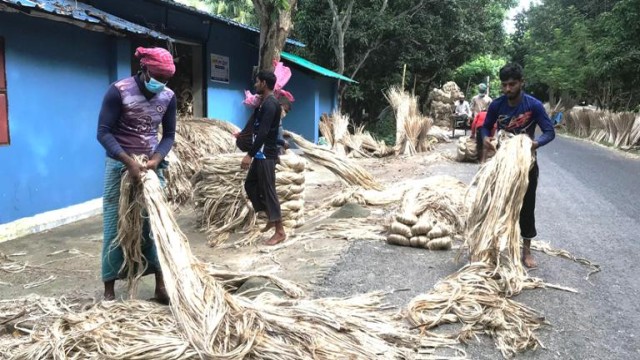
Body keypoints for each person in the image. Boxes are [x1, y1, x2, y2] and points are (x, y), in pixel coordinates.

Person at [97, 47, 177, 302]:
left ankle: (160, 286)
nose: (161, 83)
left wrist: (156, 158)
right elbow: (103, 132)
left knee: (155, 225)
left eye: (166, 79)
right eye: (157, 76)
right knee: (114, 224)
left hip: (151, 167)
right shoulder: (118, 90)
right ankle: (109, 291)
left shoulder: (168, 96)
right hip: (120, 166)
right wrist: (127, 161)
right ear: (144, 68)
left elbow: (169, 135)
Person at [480, 63, 555, 268]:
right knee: (495, 202)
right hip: (502, 162)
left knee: (526, 206)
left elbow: (550, 132)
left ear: (522, 82)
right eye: (504, 85)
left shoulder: (534, 106)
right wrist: (486, 138)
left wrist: (535, 144)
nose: (507, 89)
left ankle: (527, 250)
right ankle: (492, 244)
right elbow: (485, 127)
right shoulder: (497, 105)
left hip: (525, 164)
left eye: (512, 84)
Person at [241, 71, 287, 246]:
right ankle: (270, 214)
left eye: (258, 82)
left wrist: (249, 155)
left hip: (265, 155)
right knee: (250, 185)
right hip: (261, 153)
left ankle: (280, 231)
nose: (255, 85)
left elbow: (264, 132)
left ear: (265, 84)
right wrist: (281, 141)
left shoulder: (270, 104)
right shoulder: (264, 104)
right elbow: (265, 129)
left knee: (269, 190)